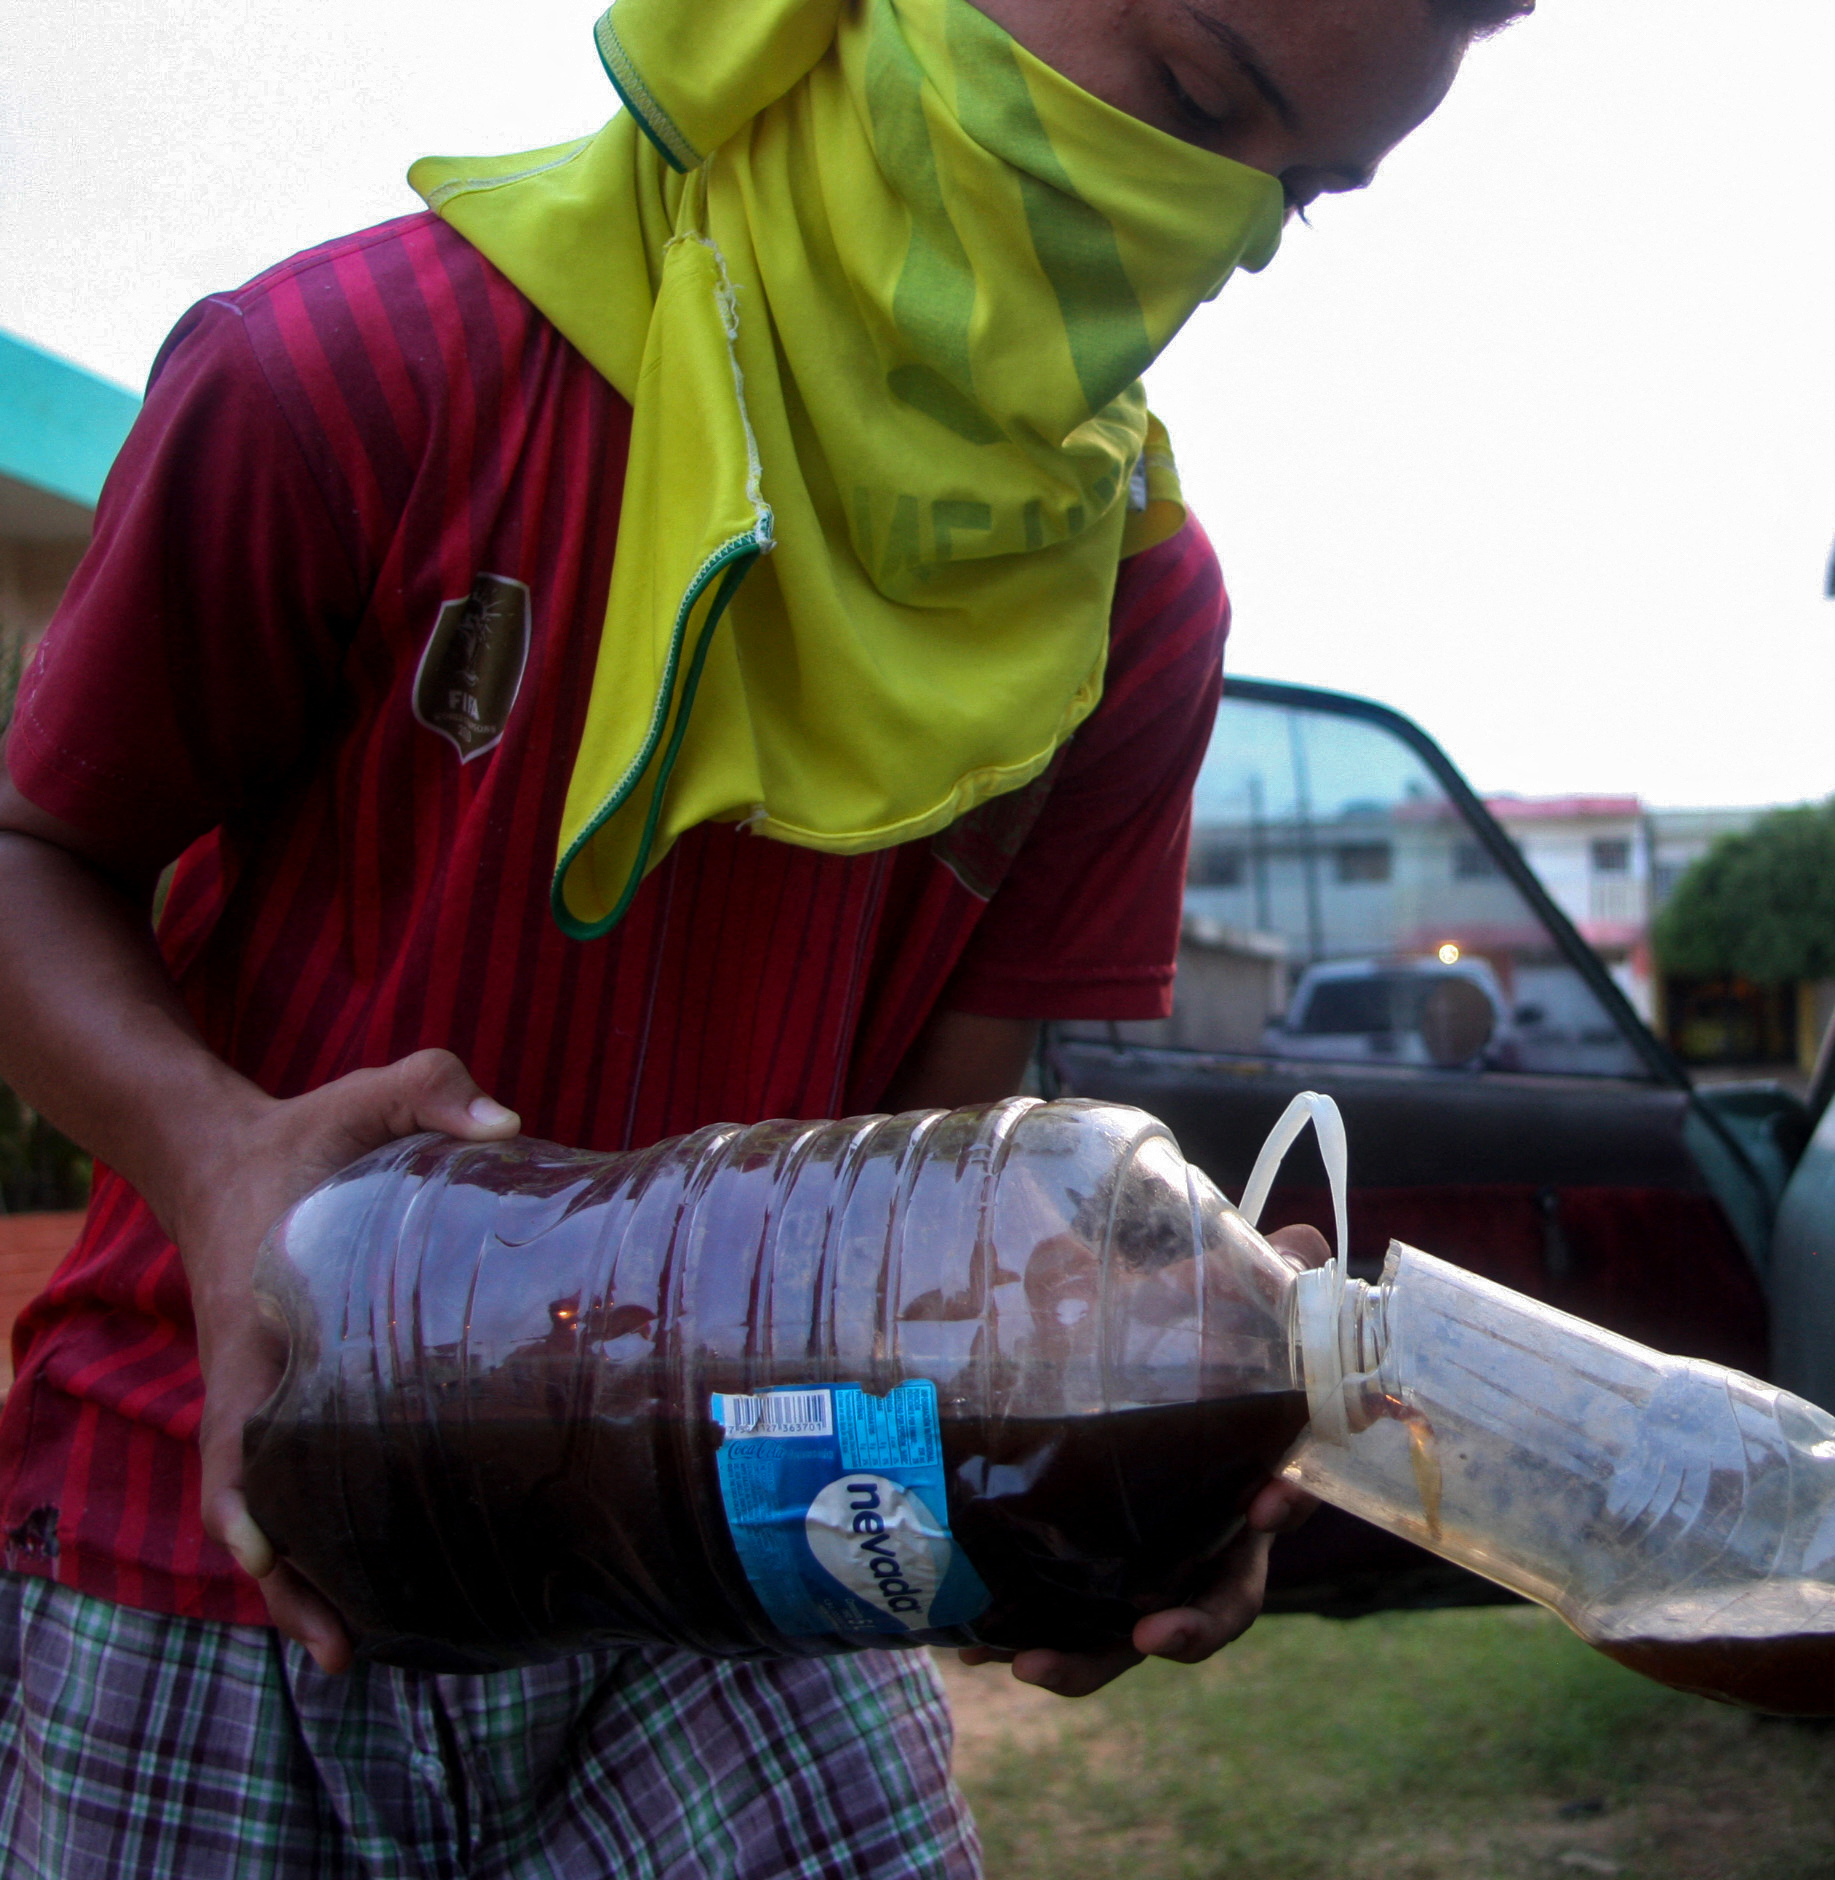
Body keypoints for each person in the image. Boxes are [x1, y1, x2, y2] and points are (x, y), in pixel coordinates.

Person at [0, 0, 1521, 1869]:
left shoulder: (1126, 608)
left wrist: (1119, 1437)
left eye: (1295, 194)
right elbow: (30, 852)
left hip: (731, 1551)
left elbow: (931, 1211)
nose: (1211, 234)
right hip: (224, 1516)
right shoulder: (359, 373)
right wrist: (225, 1166)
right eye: (1196, 100)